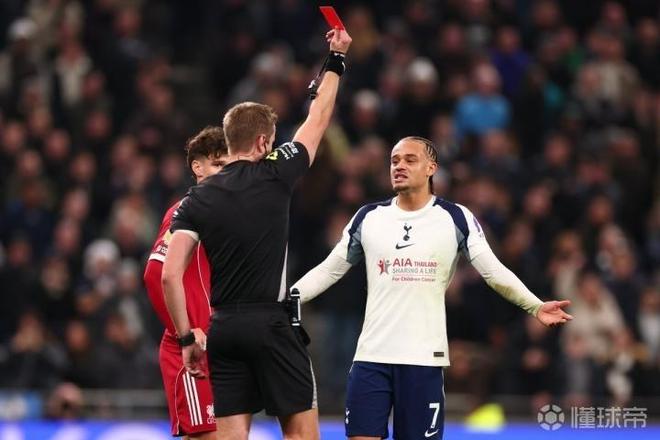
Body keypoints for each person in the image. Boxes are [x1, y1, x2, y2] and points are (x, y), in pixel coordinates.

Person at [291, 136, 573, 440]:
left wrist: (535, 305)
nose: (399, 166)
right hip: (371, 358)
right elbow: (330, 269)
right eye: (394, 160)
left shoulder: (455, 218)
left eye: (410, 159)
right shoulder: (369, 217)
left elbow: (493, 271)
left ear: (431, 168)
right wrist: (287, 299)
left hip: (423, 360)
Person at [162, 28, 352, 440]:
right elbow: (318, 117)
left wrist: (186, 338)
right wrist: (335, 59)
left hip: (223, 329)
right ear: (264, 142)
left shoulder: (195, 199)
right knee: (301, 435)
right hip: (271, 323)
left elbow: (169, 275)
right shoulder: (276, 172)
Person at [143, 126, 227, 439]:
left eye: (229, 165)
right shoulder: (185, 211)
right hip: (191, 350)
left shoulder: (227, 216)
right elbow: (155, 274)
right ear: (197, 167)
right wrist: (186, 333)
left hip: (219, 346)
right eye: (217, 164)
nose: (225, 172)